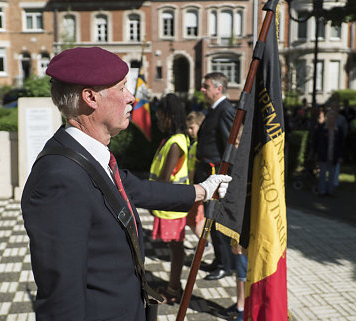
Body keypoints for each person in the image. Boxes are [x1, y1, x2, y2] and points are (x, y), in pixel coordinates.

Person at [20, 47, 232, 321]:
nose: (132, 98)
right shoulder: (59, 177)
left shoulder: (90, 154)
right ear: (90, 97)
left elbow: (138, 189)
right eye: (122, 89)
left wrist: (202, 190)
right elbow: (62, 297)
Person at [148, 93, 190, 304]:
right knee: (175, 248)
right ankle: (175, 285)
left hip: (172, 206)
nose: (158, 121)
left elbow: (165, 178)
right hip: (171, 204)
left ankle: (174, 289)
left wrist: (150, 197)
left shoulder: (175, 142)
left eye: (160, 117)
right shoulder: (172, 139)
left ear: (170, 117)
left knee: (176, 248)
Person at [196, 72, 236, 280]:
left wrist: (225, 178)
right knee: (210, 220)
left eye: (206, 86)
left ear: (218, 89)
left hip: (216, 176)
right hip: (207, 173)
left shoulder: (226, 110)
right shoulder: (214, 109)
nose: (203, 89)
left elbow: (229, 148)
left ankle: (226, 264)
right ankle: (220, 259)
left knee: (215, 220)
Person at [313, 110, 344, 197]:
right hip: (323, 155)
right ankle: (322, 191)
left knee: (332, 174)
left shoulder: (339, 130)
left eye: (332, 118)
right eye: (329, 118)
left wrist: (340, 156)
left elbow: (341, 144)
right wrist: (316, 153)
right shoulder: (321, 128)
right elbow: (316, 141)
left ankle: (330, 191)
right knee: (322, 174)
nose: (331, 120)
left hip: (334, 155)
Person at [185, 111, 206, 239]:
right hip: (193, 186)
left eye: (192, 127)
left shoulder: (198, 146)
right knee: (192, 219)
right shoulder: (194, 144)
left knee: (198, 219)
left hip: (195, 187)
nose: (189, 131)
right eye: (188, 127)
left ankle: (205, 244)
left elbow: (192, 169)